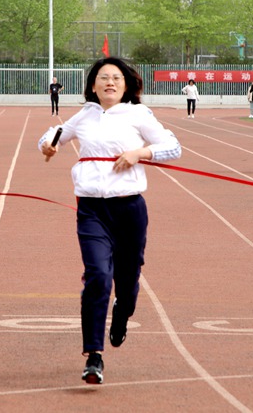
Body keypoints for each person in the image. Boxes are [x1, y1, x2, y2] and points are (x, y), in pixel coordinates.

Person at [38, 57, 181, 385]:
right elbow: (54, 135)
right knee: (98, 276)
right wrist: (47, 145)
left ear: (126, 84)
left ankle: (123, 311)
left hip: (129, 209)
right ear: (93, 85)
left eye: (116, 77)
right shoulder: (85, 115)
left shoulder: (138, 114)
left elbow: (173, 147)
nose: (110, 83)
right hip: (91, 210)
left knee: (128, 279)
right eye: (103, 77)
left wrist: (139, 153)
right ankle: (94, 355)